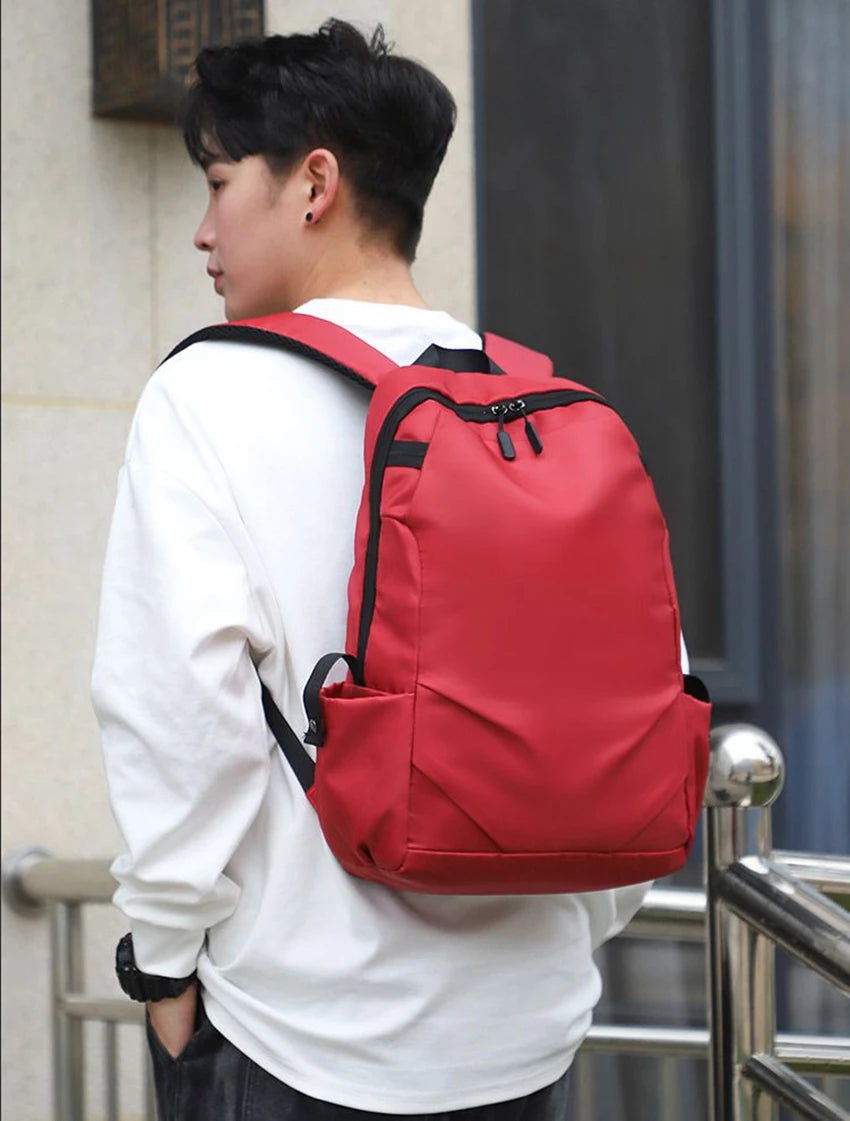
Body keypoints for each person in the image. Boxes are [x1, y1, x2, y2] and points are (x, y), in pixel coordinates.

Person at [93, 20, 653, 1120]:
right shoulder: (544, 407)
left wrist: (163, 964)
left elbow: (175, 719)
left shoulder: (208, 399)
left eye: (217, 182)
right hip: (526, 1034)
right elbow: (637, 704)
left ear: (314, 184)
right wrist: (557, 929)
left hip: (302, 1038)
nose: (202, 231)